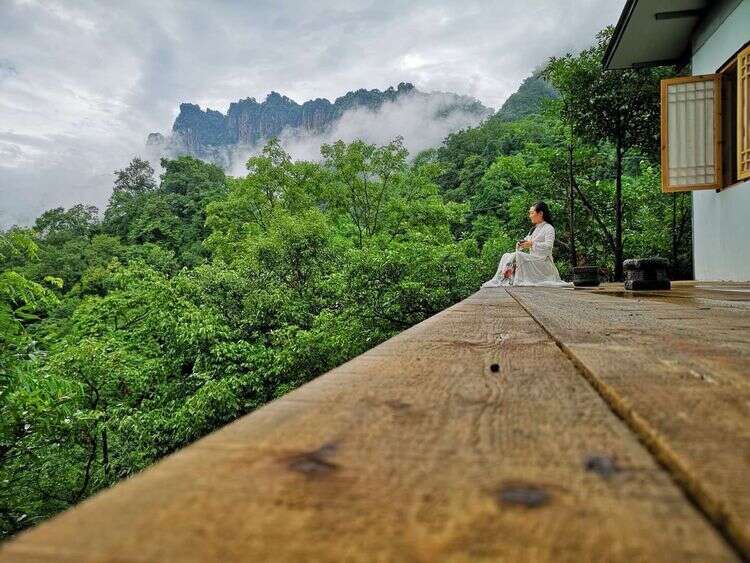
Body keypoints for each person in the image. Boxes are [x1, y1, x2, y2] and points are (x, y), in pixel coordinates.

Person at [481, 201, 573, 288]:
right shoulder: (533, 229)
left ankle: (508, 280)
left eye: (532, 213)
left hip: (543, 262)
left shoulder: (549, 228)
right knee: (506, 255)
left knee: (518, 255)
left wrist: (532, 244)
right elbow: (526, 241)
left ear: (540, 213)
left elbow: (548, 247)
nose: (530, 216)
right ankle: (505, 279)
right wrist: (521, 244)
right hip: (533, 260)